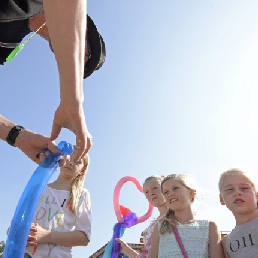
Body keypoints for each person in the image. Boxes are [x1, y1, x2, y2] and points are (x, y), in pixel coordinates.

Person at [0, 0, 106, 162]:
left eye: (79, 64)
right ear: (82, 27)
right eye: (81, 55)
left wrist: (17, 135)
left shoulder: (6, 45)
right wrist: (72, 98)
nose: (72, 61)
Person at [24, 146, 91, 257]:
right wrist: (19, 232)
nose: (71, 163)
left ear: (82, 170)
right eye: (69, 158)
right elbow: (19, 220)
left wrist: (46, 236)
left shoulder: (82, 195)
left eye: (78, 161)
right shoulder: (38, 188)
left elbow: (84, 237)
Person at [149, 174, 223, 258]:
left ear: (191, 193)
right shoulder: (160, 227)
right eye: (166, 192)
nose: (170, 194)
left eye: (175, 188)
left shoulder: (210, 227)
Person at [116, 175, 167, 258]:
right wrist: (127, 250)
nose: (151, 193)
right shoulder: (152, 227)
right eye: (146, 192)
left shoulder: (178, 214)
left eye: (155, 188)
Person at [219, 168, 258, 258]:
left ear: (257, 195)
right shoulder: (225, 242)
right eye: (230, 189)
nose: (237, 193)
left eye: (244, 188)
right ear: (221, 199)